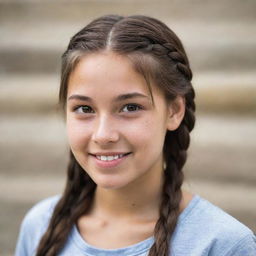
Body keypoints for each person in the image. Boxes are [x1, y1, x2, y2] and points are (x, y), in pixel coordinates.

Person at [15, 15, 256, 256]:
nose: (103, 135)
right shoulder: (40, 226)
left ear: (174, 111)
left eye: (130, 107)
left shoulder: (224, 244)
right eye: (84, 109)